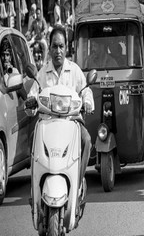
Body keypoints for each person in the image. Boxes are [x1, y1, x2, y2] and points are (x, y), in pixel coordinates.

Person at [26, 26, 94, 189]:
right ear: (49, 49)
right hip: (48, 124)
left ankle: (77, 184)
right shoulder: (42, 73)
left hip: (72, 122)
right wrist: (30, 102)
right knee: (32, 140)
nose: (58, 51)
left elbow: (86, 91)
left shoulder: (75, 70)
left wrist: (88, 103)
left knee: (87, 141)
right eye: (55, 46)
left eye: (61, 46)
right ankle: (37, 187)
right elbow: (32, 95)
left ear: (66, 48)